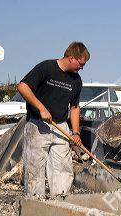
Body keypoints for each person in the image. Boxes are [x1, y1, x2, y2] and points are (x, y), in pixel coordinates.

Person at [18, 41, 90, 197]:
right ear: (71, 58)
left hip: (61, 126)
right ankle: (36, 204)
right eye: (81, 64)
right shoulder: (46, 68)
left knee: (63, 168)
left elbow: (75, 107)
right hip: (38, 125)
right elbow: (23, 86)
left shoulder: (76, 81)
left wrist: (76, 133)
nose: (82, 68)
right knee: (34, 169)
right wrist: (41, 108)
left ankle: (60, 202)